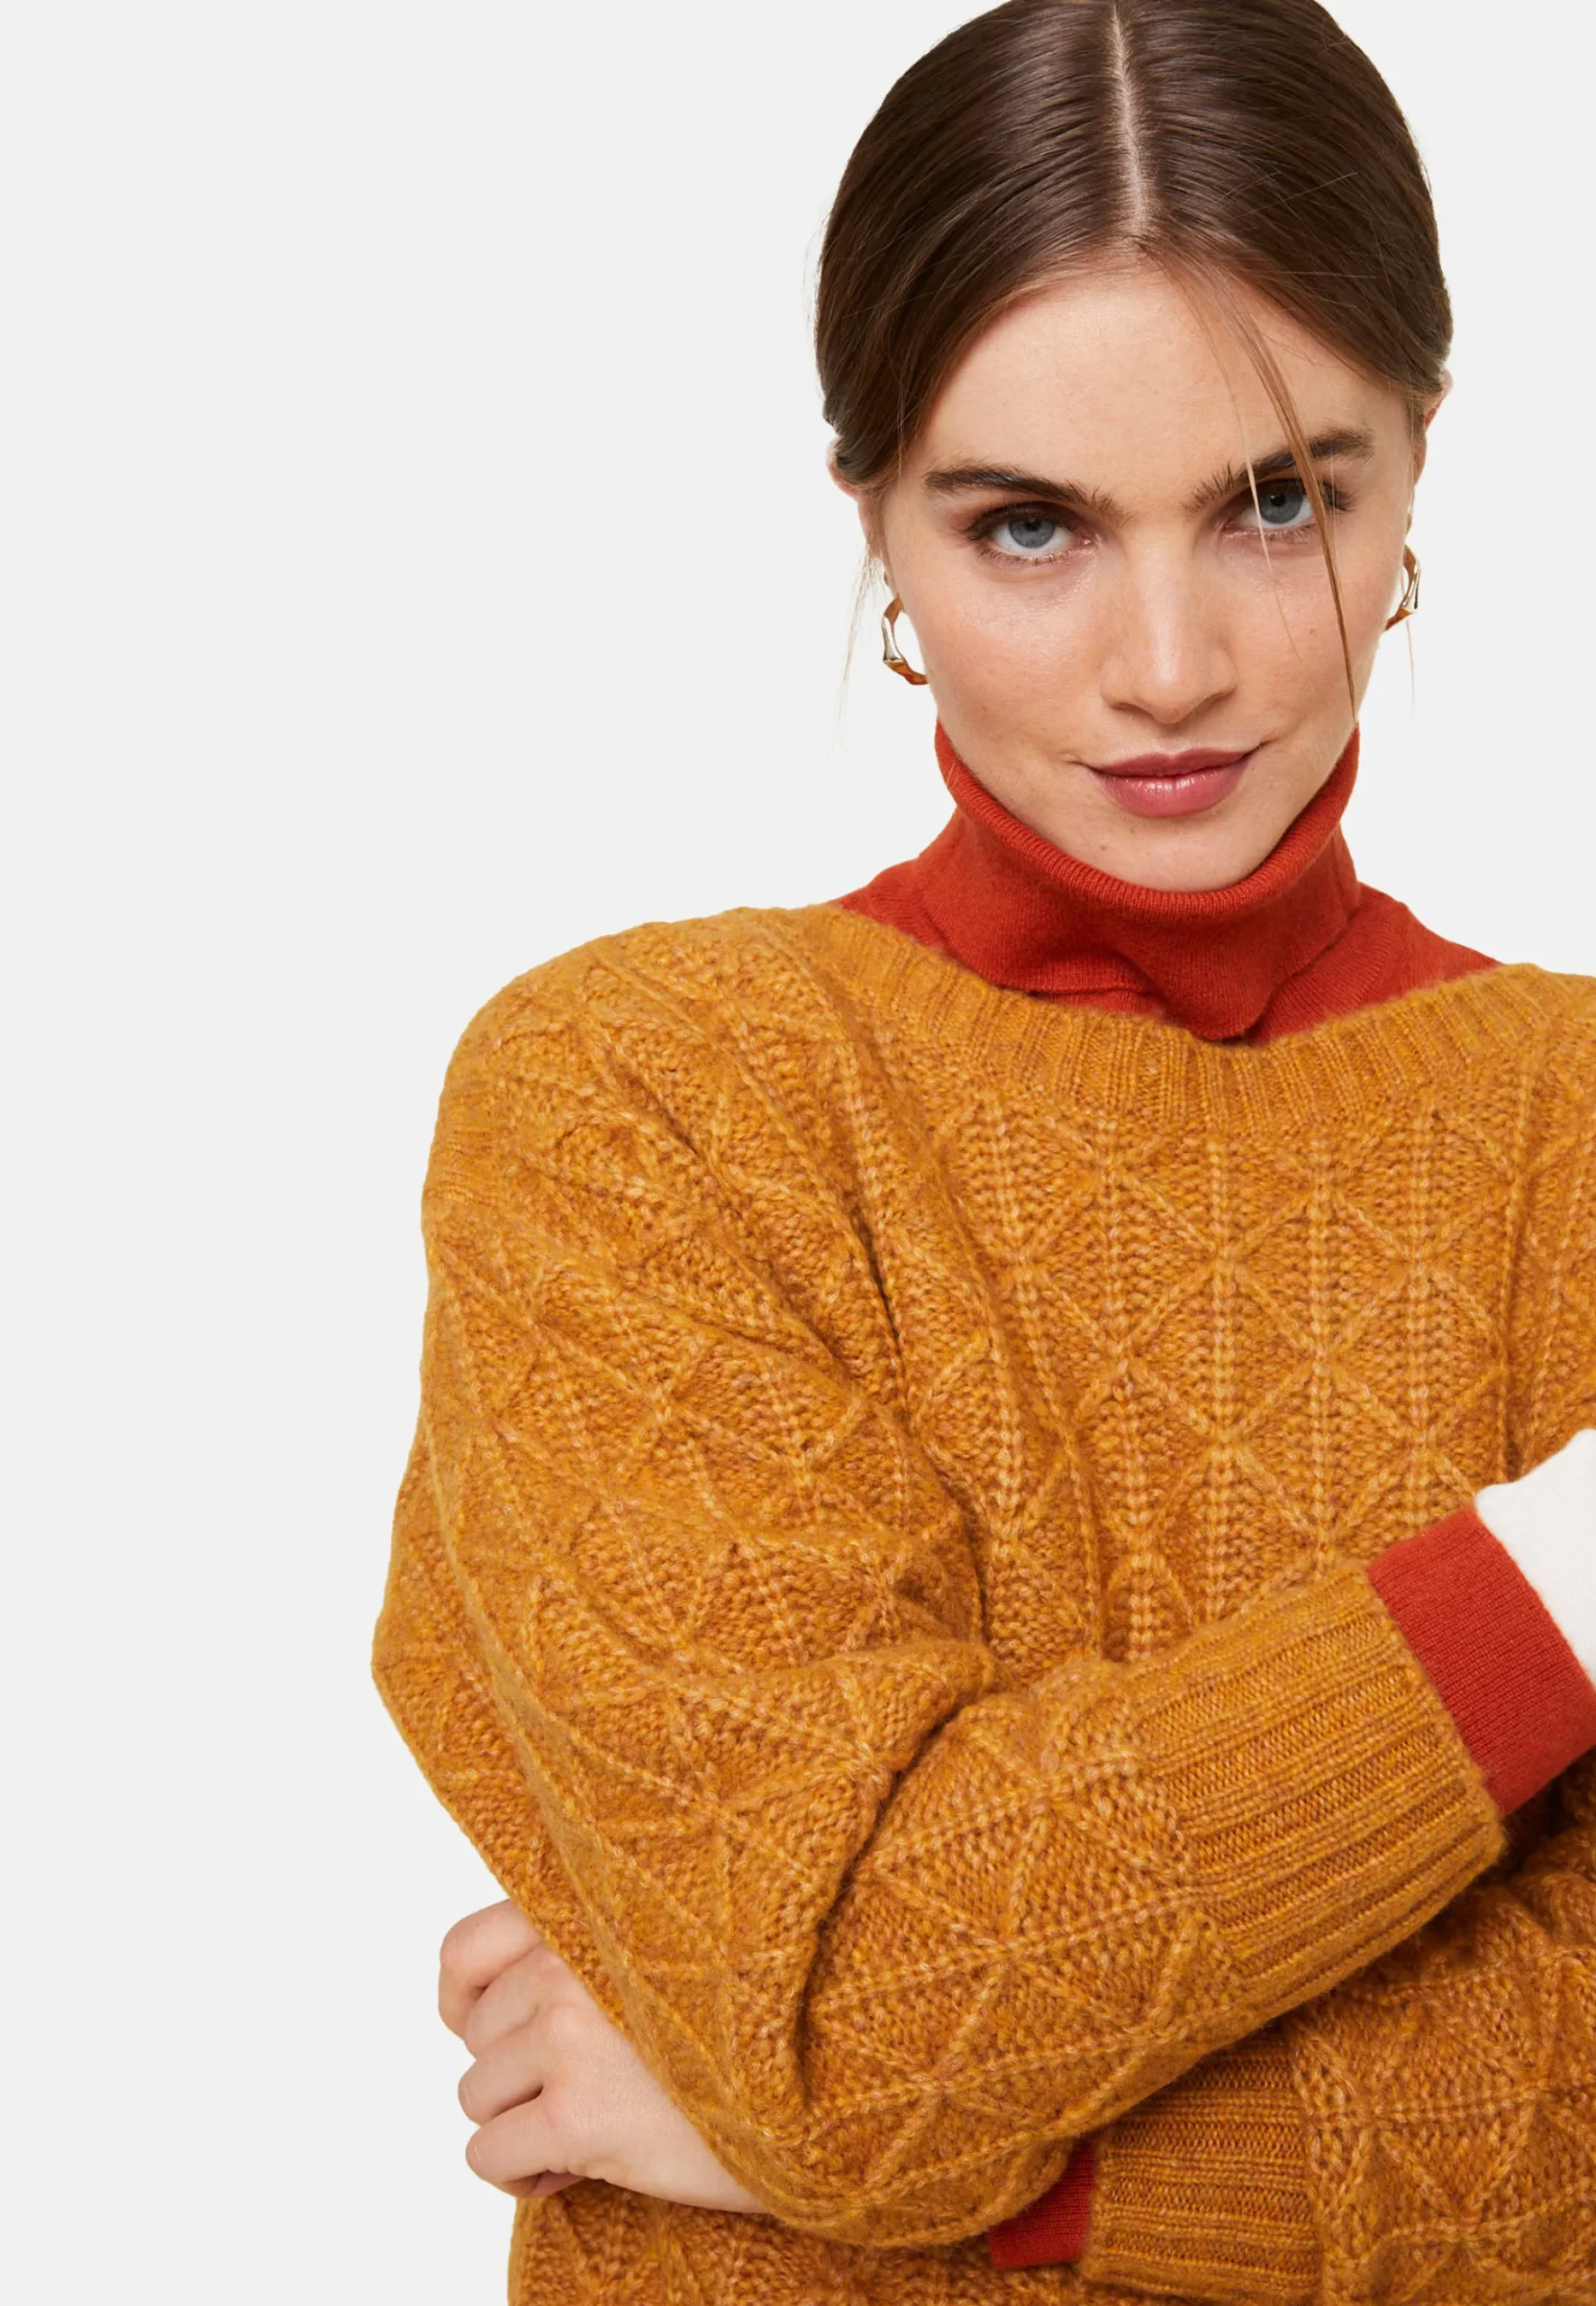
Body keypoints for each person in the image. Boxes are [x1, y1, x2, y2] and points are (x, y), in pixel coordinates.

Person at [370, 2, 1596, 2298]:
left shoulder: (1575, 1124)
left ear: (1415, 470)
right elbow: (852, 2014)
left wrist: (961, 2168)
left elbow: (837, 2091)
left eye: (1276, 500)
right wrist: (1560, 1573)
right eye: (1029, 525)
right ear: (876, 522)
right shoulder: (639, 1102)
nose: (1169, 662)